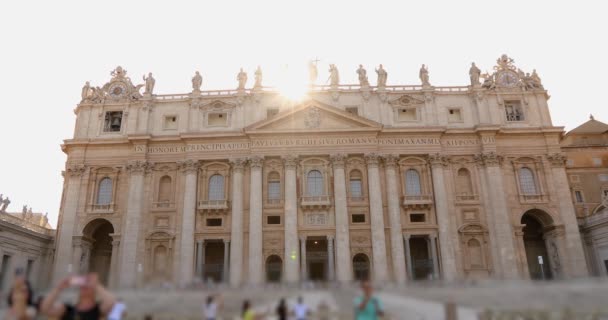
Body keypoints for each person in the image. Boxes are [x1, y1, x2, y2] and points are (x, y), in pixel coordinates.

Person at [41, 273, 116, 320]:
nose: (85, 286)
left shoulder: (98, 309)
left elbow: (112, 303)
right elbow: (45, 308)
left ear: (94, 290)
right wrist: (59, 287)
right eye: (83, 286)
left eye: (88, 285)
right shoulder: (67, 309)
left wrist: (96, 285)